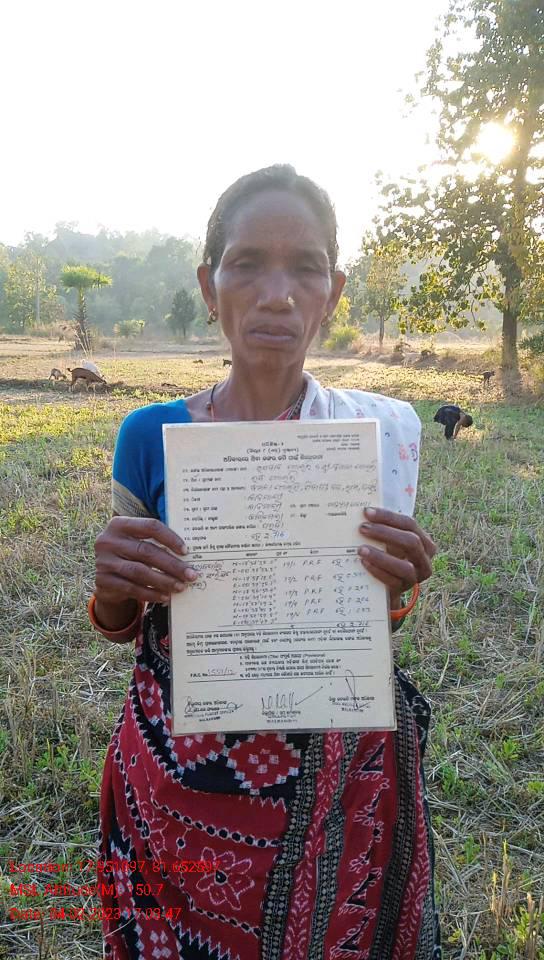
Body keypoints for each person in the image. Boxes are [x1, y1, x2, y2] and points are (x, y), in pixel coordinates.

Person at [90, 164, 440, 959]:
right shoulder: (150, 437)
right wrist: (111, 586)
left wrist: (398, 586)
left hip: (332, 777)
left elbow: (372, 621)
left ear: (334, 291)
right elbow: (125, 620)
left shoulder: (371, 438)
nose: (277, 294)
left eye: (305, 268)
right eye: (246, 264)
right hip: (178, 770)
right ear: (209, 287)